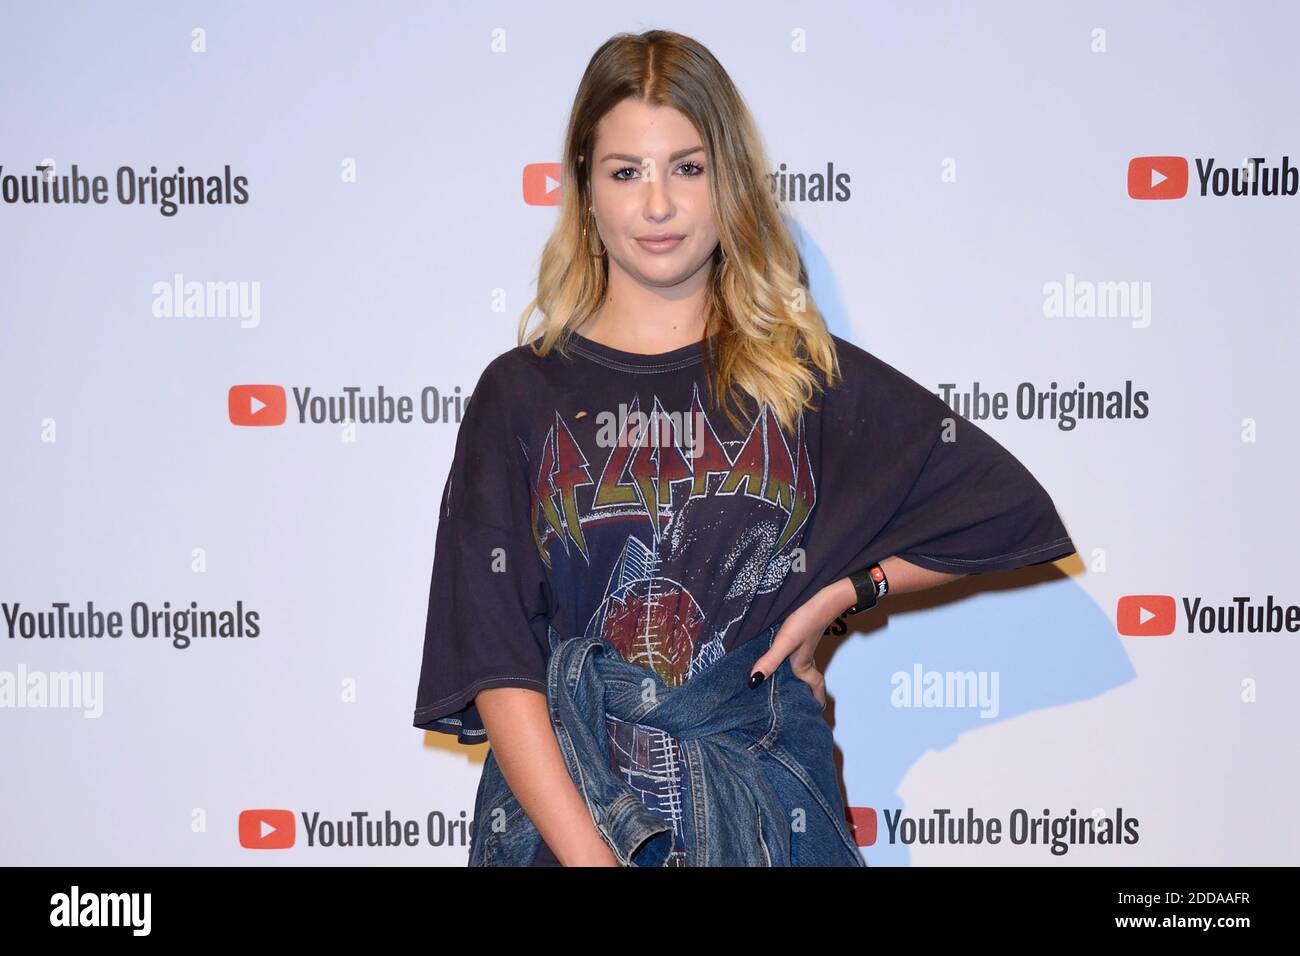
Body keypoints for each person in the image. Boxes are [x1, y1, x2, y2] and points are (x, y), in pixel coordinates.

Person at [411, 29, 1076, 867]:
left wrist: (843, 594)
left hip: (769, 812)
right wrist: (591, 858)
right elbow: (496, 658)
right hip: (575, 819)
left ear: (728, 181)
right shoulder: (521, 394)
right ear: (585, 184)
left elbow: (1004, 509)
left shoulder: (797, 378)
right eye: (627, 172)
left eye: (688, 168)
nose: (658, 205)